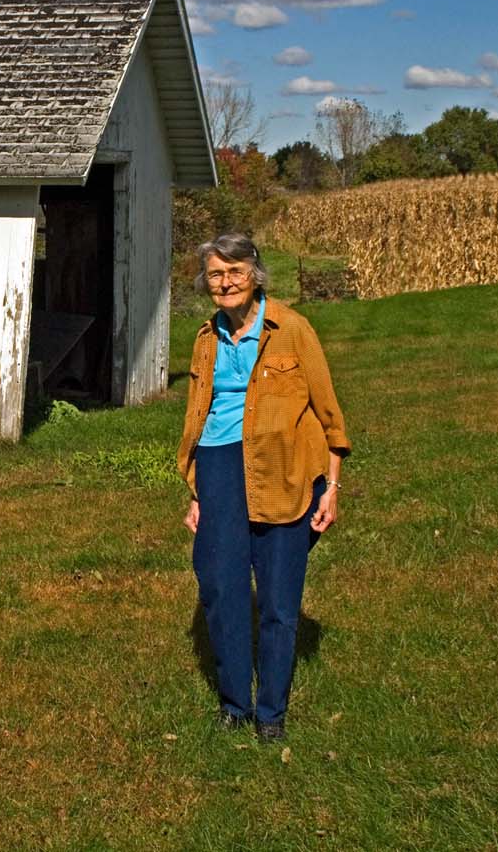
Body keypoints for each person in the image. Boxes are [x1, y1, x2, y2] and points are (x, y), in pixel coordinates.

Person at [177, 231, 351, 741]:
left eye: (234, 271)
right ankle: (235, 704)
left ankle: (271, 712)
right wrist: (197, 492)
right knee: (220, 585)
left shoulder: (292, 330)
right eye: (215, 273)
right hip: (218, 467)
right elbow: (198, 414)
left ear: (255, 274)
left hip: (285, 467)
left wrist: (332, 485)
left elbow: (328, 413)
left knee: (277, 596)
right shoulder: (206, 338)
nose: (225, 282)